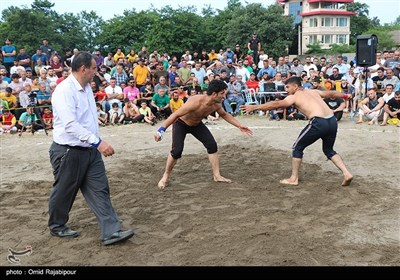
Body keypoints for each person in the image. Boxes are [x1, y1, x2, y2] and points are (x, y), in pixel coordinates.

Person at [48, 51, 134, 246]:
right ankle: (57, 225)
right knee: (65, 190)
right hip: (68, 151)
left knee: (100, 189)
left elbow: (86, 119)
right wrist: (98, 142)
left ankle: (111, 232)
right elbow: (70, 124)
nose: (97, 71)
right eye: (94, 68)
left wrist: (95, 141)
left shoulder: (86, 86)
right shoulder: (64, 91)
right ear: (83, 68)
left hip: (90, 149)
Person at [241, 76, 353, 187]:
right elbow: (332, 94)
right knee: (328, 149)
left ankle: (294, 178)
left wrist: (254, 107)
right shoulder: (313, 91)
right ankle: (346, 173)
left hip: (319, 122)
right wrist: (345, 95)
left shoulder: (294, 97)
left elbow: (276, 104)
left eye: (288, 87)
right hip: (332, 121)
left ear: (295, 86)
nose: (286, 90)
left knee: (297, 147)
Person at [154, 79, 253, 189]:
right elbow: (175, 115)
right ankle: (165, 176)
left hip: (196, 124)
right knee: (177, 151)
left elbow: (224, 115)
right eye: (222, 94)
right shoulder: (195, 101)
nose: (224, 96)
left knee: (212, 145)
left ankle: (217, 175)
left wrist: (239, 125)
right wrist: (161, 130)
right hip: (181, 123)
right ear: (214, 94)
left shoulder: (216, 104)